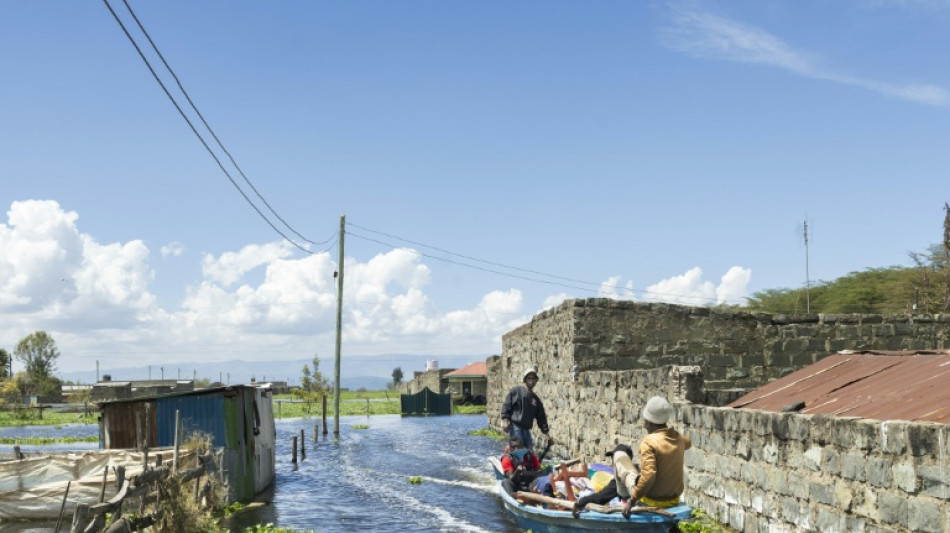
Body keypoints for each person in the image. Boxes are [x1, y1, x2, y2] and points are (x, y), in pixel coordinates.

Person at [614, 396, 691, 519]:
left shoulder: (648, 442)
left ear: (649, 422)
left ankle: (623, 497)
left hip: (650, 500)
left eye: (645, 422)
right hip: (673, 500)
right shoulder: (678, 438)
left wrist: (632, 501)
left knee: (619, 457)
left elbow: (649, 476)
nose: (644, 426)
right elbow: (688, 443)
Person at [500, 367, 550, 451]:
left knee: (529, 452)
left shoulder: (536, 400)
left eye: (533, 378)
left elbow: (541, 418)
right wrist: (505, 419)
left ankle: (527, 463)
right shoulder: (516, 391)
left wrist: (546, 433)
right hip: (515, 427)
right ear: (525, 380)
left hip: (526, 429)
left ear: (536, 381)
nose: (531, 380)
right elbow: (507, 405)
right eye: (529, 378)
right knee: (518, 450)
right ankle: (515, 462)